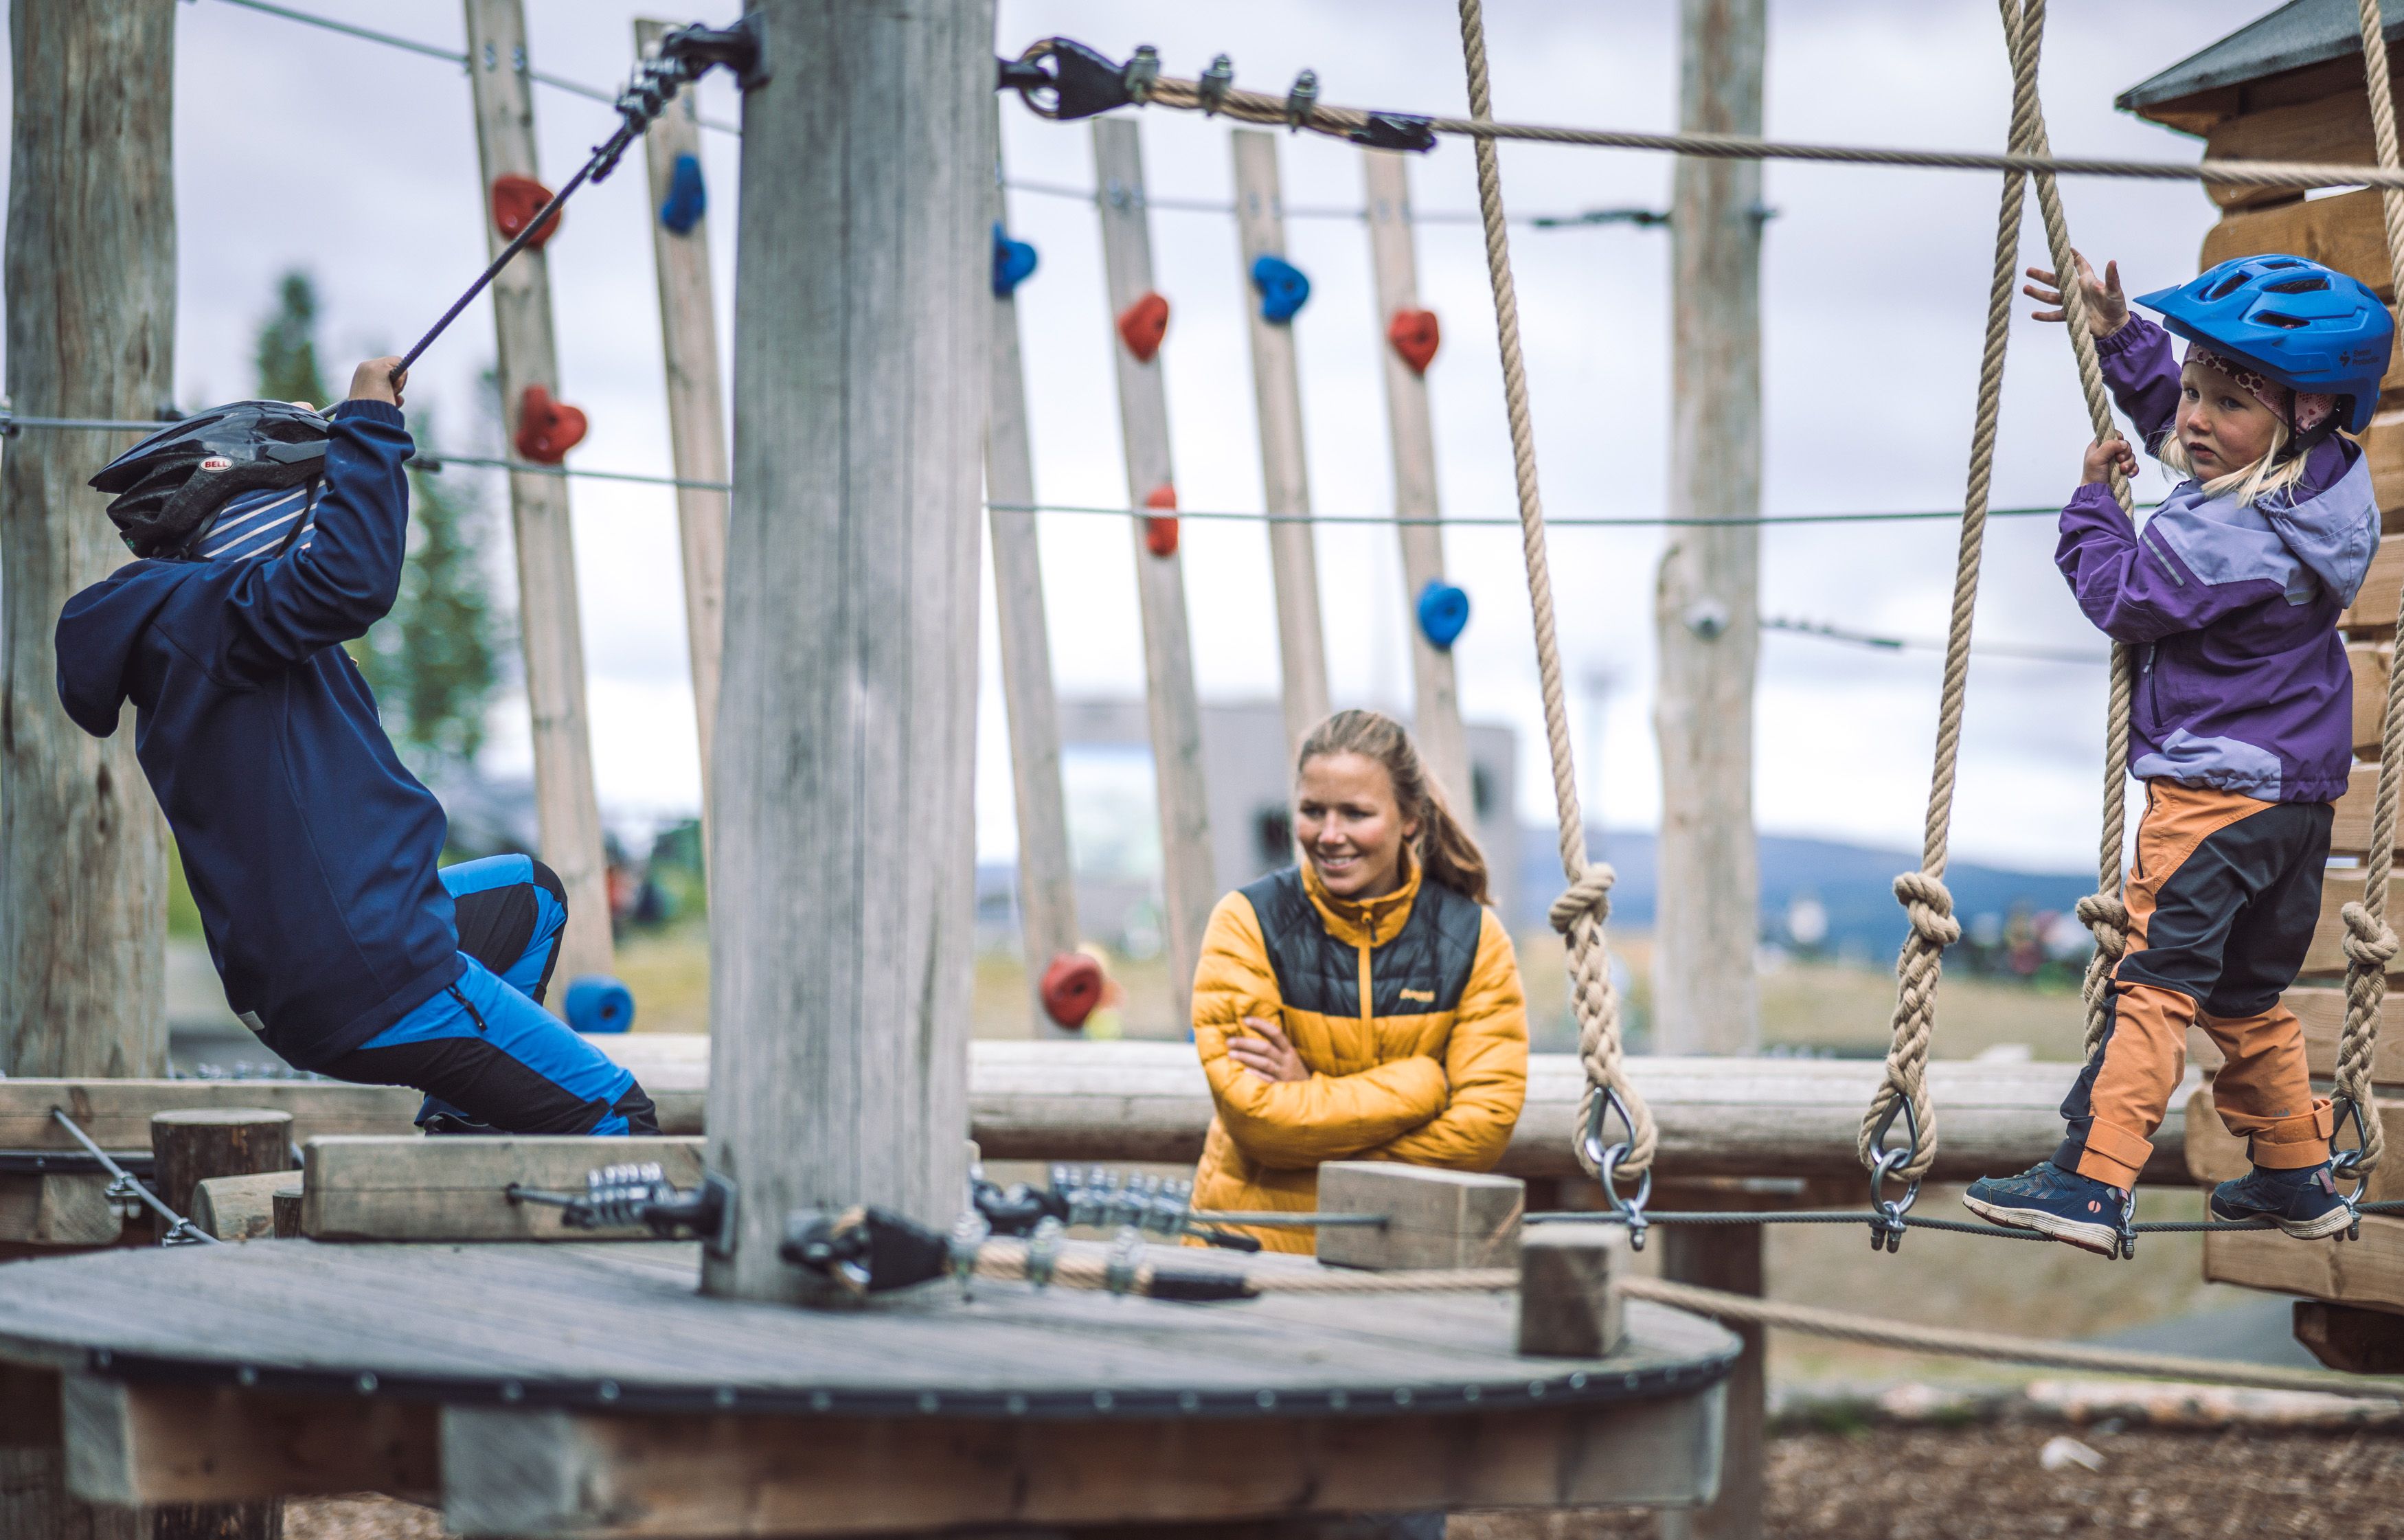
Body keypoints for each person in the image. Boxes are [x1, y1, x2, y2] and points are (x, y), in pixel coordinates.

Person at [56, 359, 655, 1135]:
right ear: (241, 516)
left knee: (527, 894)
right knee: (621, 1115)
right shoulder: (206, 621)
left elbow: (327, 585)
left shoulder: (217, 637)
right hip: (372, 975)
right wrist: (370, 423)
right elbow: (349, 580)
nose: (313, 525)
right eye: (301, 509)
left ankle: (467, 1123)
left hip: (330, 967)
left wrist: (336, 441)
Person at [1962, 253, 2392, 1254]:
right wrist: (2124, 340)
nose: (2194, 420)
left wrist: (2092, 511)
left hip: (2212, 797)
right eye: (2194, 388)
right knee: (2245, 995)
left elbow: (2122, 595)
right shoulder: (2323, 486)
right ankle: (2294, 1168)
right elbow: (2193, 429)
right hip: (2295, 804)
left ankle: (2093, 1178)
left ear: (2311, 408)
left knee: (2154, 984)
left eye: (2224, 400)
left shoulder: (2229, 536)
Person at [1189, 709, 1528, 1253]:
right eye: (1312, 811)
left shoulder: (1474, 940)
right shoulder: (1246, 922)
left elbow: (1480, 1132)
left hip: (1407, 1258)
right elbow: (1257, 1120)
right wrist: (1422, 1085)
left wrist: (1309, 1099)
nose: (1329, 836)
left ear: (1410, 818)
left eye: (1355, 813)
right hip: (1252, 1252)